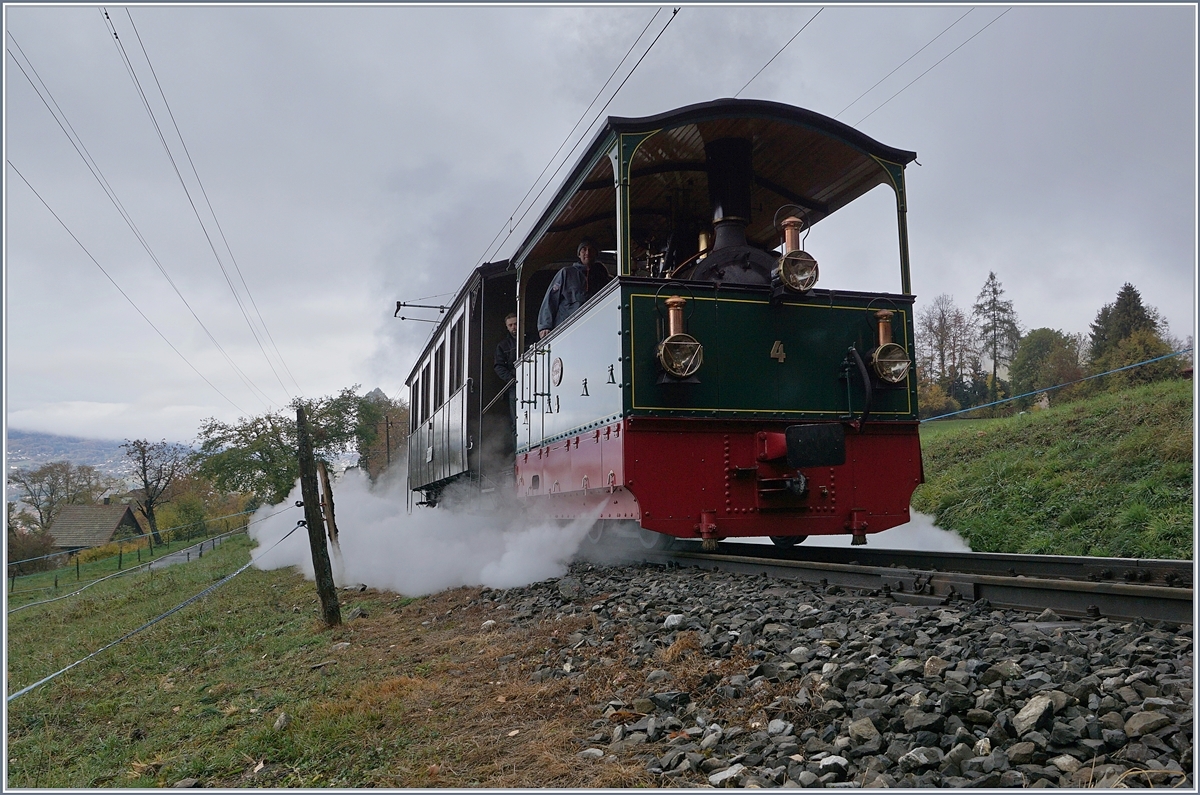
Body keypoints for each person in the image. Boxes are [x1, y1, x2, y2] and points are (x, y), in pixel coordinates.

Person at [537, 239, 612, 338]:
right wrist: (545, 326)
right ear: (579, 254)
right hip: (566, 330)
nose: (587, 253)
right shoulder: (566, 273)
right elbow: (551, 299)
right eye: (583, 250)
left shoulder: (602, 277)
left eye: (591, 250)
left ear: (596, 254)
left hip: (594, 329)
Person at [493, 312, 518, 436]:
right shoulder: (502, 346)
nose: (514, 327)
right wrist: (511, 379)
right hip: (514, 385)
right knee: (516, 422)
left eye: (516, 324)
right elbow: (498, 366)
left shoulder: (530, 339)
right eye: (511, 325)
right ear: (507, 327)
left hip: (534, 381)